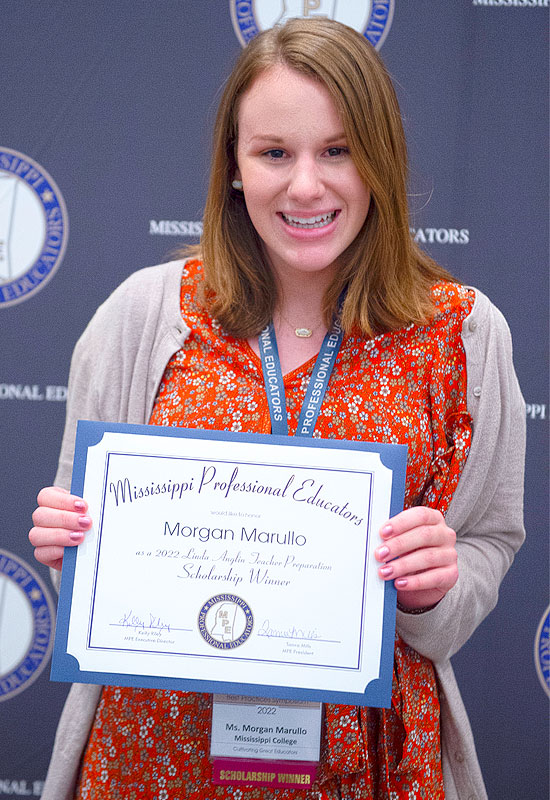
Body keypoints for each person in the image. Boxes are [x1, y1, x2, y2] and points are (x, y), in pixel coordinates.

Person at [29, 17, 525, 800]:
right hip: (156, 760)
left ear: (381, 158)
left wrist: (436, 587)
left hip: (369, 764)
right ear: (234, 166)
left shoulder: (461, 335)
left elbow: (489, 539)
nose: (306, 186)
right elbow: (90, 582)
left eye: (338, 150)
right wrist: (76, 555)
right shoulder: (142, 316)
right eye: (274, 153)